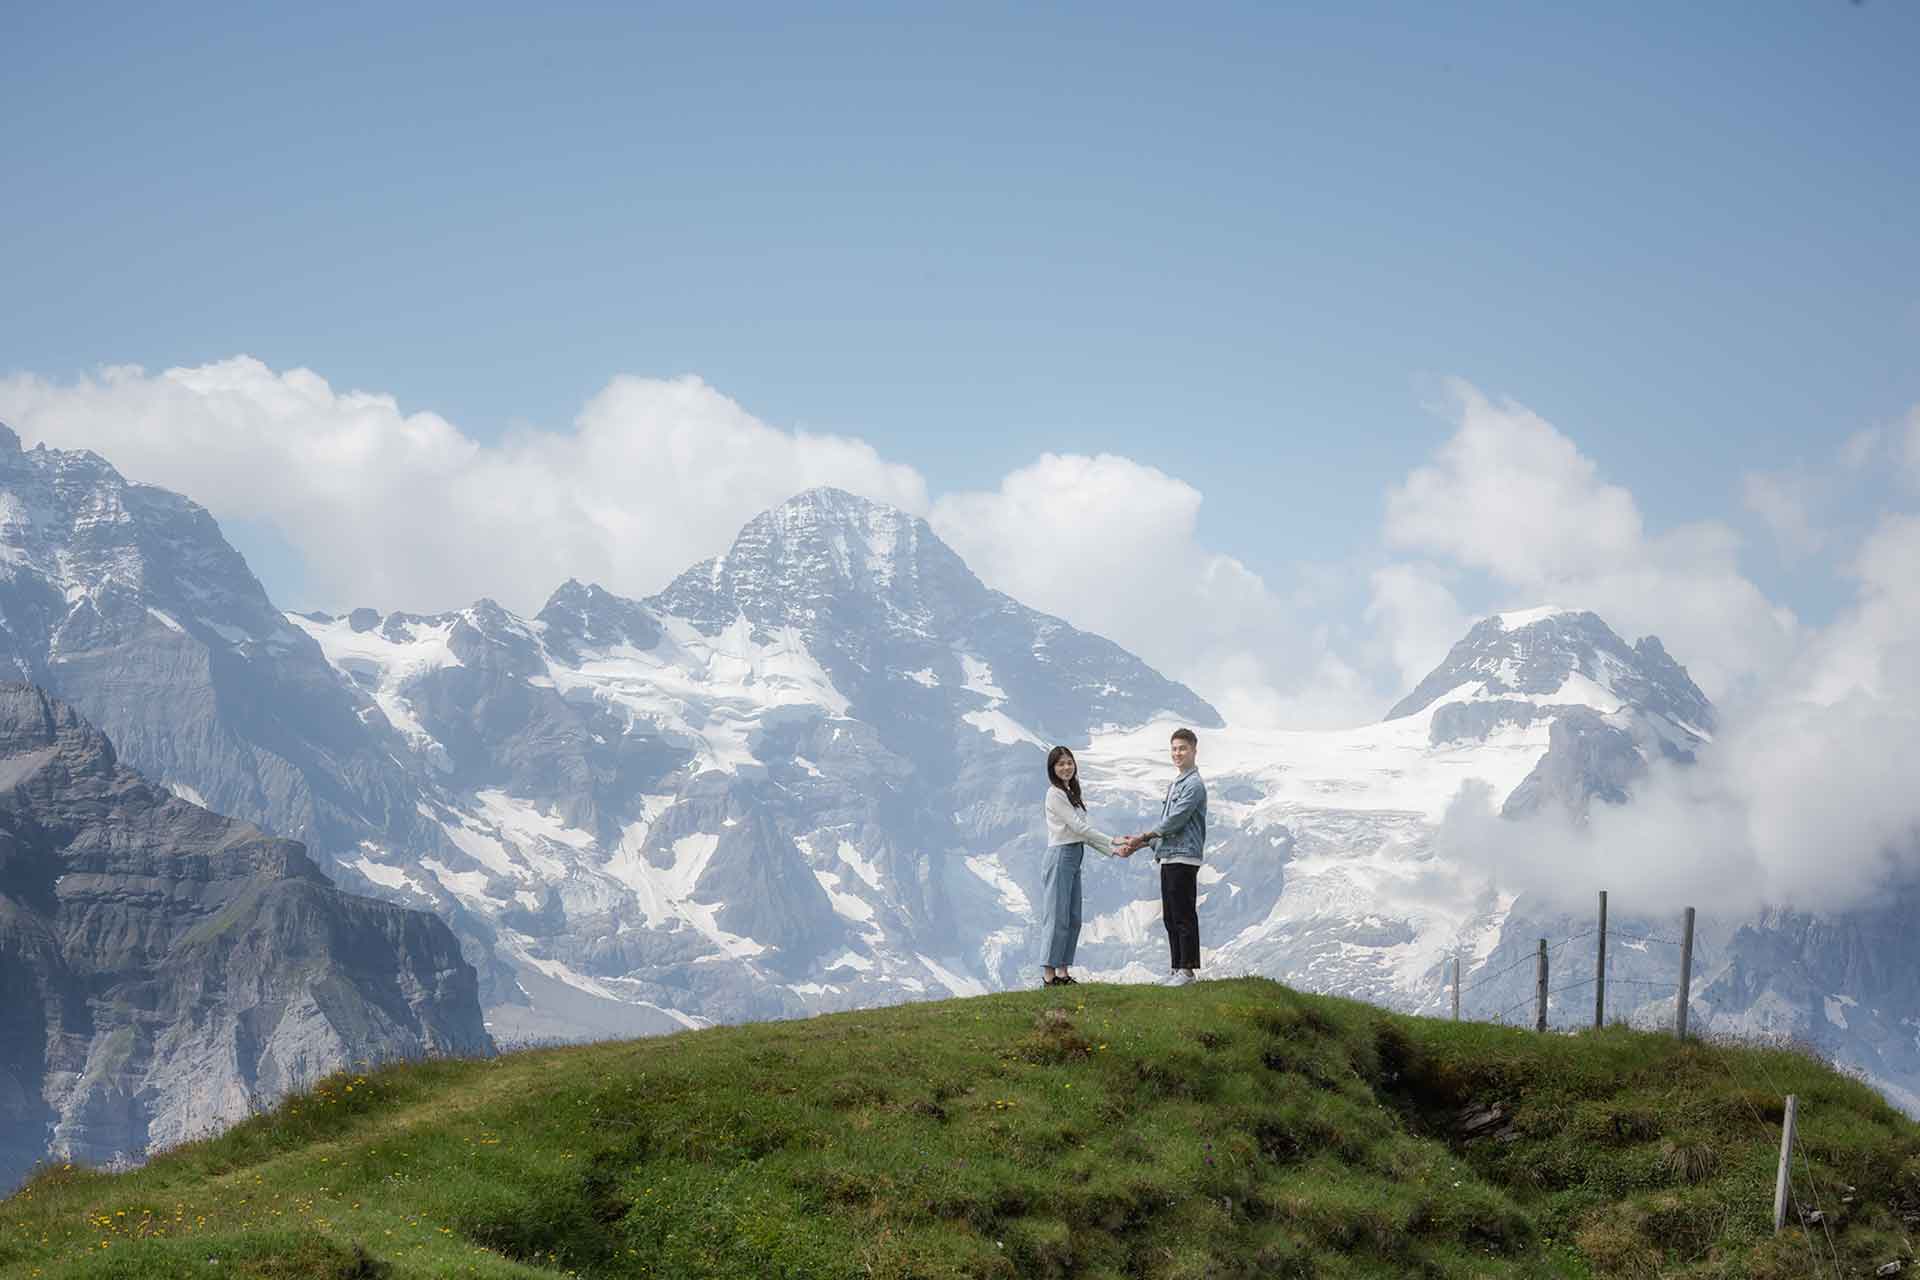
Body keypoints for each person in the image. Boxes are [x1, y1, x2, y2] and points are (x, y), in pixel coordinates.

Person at [1114, 727, 1208, 987]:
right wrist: (1140, 845)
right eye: (1175, 748)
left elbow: (1175, 821)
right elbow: (1166, 828)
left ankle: (1187, 971)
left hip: (1184, 857)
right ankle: (1177, 967)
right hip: (1168, 856)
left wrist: (1143, 837)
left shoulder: (1194, 785)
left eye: (1183, 748)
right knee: (1170, 916)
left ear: (1194, 750)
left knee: (1183, 914)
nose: (1178, 753)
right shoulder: (1177, 783)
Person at [1039, 745, 1118, 987]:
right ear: (1053, 768)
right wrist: (1112, 842)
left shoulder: (1069, 792)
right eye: (1061, 764)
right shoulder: (1054, 793)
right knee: (1056, 916)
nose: (1066, 767)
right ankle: (1049, 975)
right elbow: (1078, 828)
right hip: (1061, 856)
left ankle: (1063, 972)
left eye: (1069, 762)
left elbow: (1081, 835)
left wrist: (1112, 849)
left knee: (1073, 917)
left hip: (1075, 855)